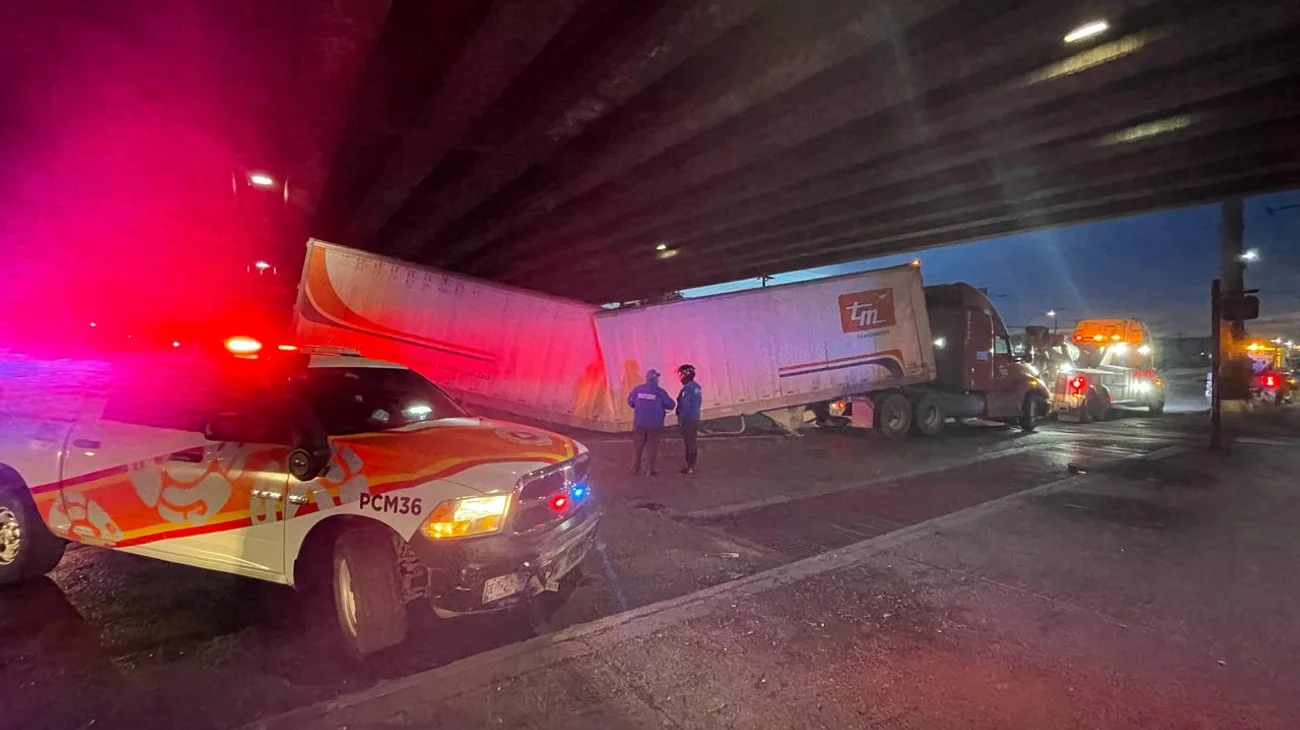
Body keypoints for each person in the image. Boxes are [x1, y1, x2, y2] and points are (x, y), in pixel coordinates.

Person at [627, 369, 675, 476]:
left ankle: (635, 469)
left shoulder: (638, 390)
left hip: (639, 423)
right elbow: (671, 405)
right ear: (656, 379)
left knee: (638, 447)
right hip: (655, 425)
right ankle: (650, 470)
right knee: (652, 448)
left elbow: (630, 401)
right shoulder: (659, 392)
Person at [675, 364, 702, 474]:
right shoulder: (696, 386)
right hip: (695, 418)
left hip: (688, 420)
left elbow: (685, 406)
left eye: (681, 375)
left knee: (689, 443)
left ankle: (689, 466)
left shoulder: (687, 389)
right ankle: (692, 464)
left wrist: (681, 420)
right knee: (692, 442)